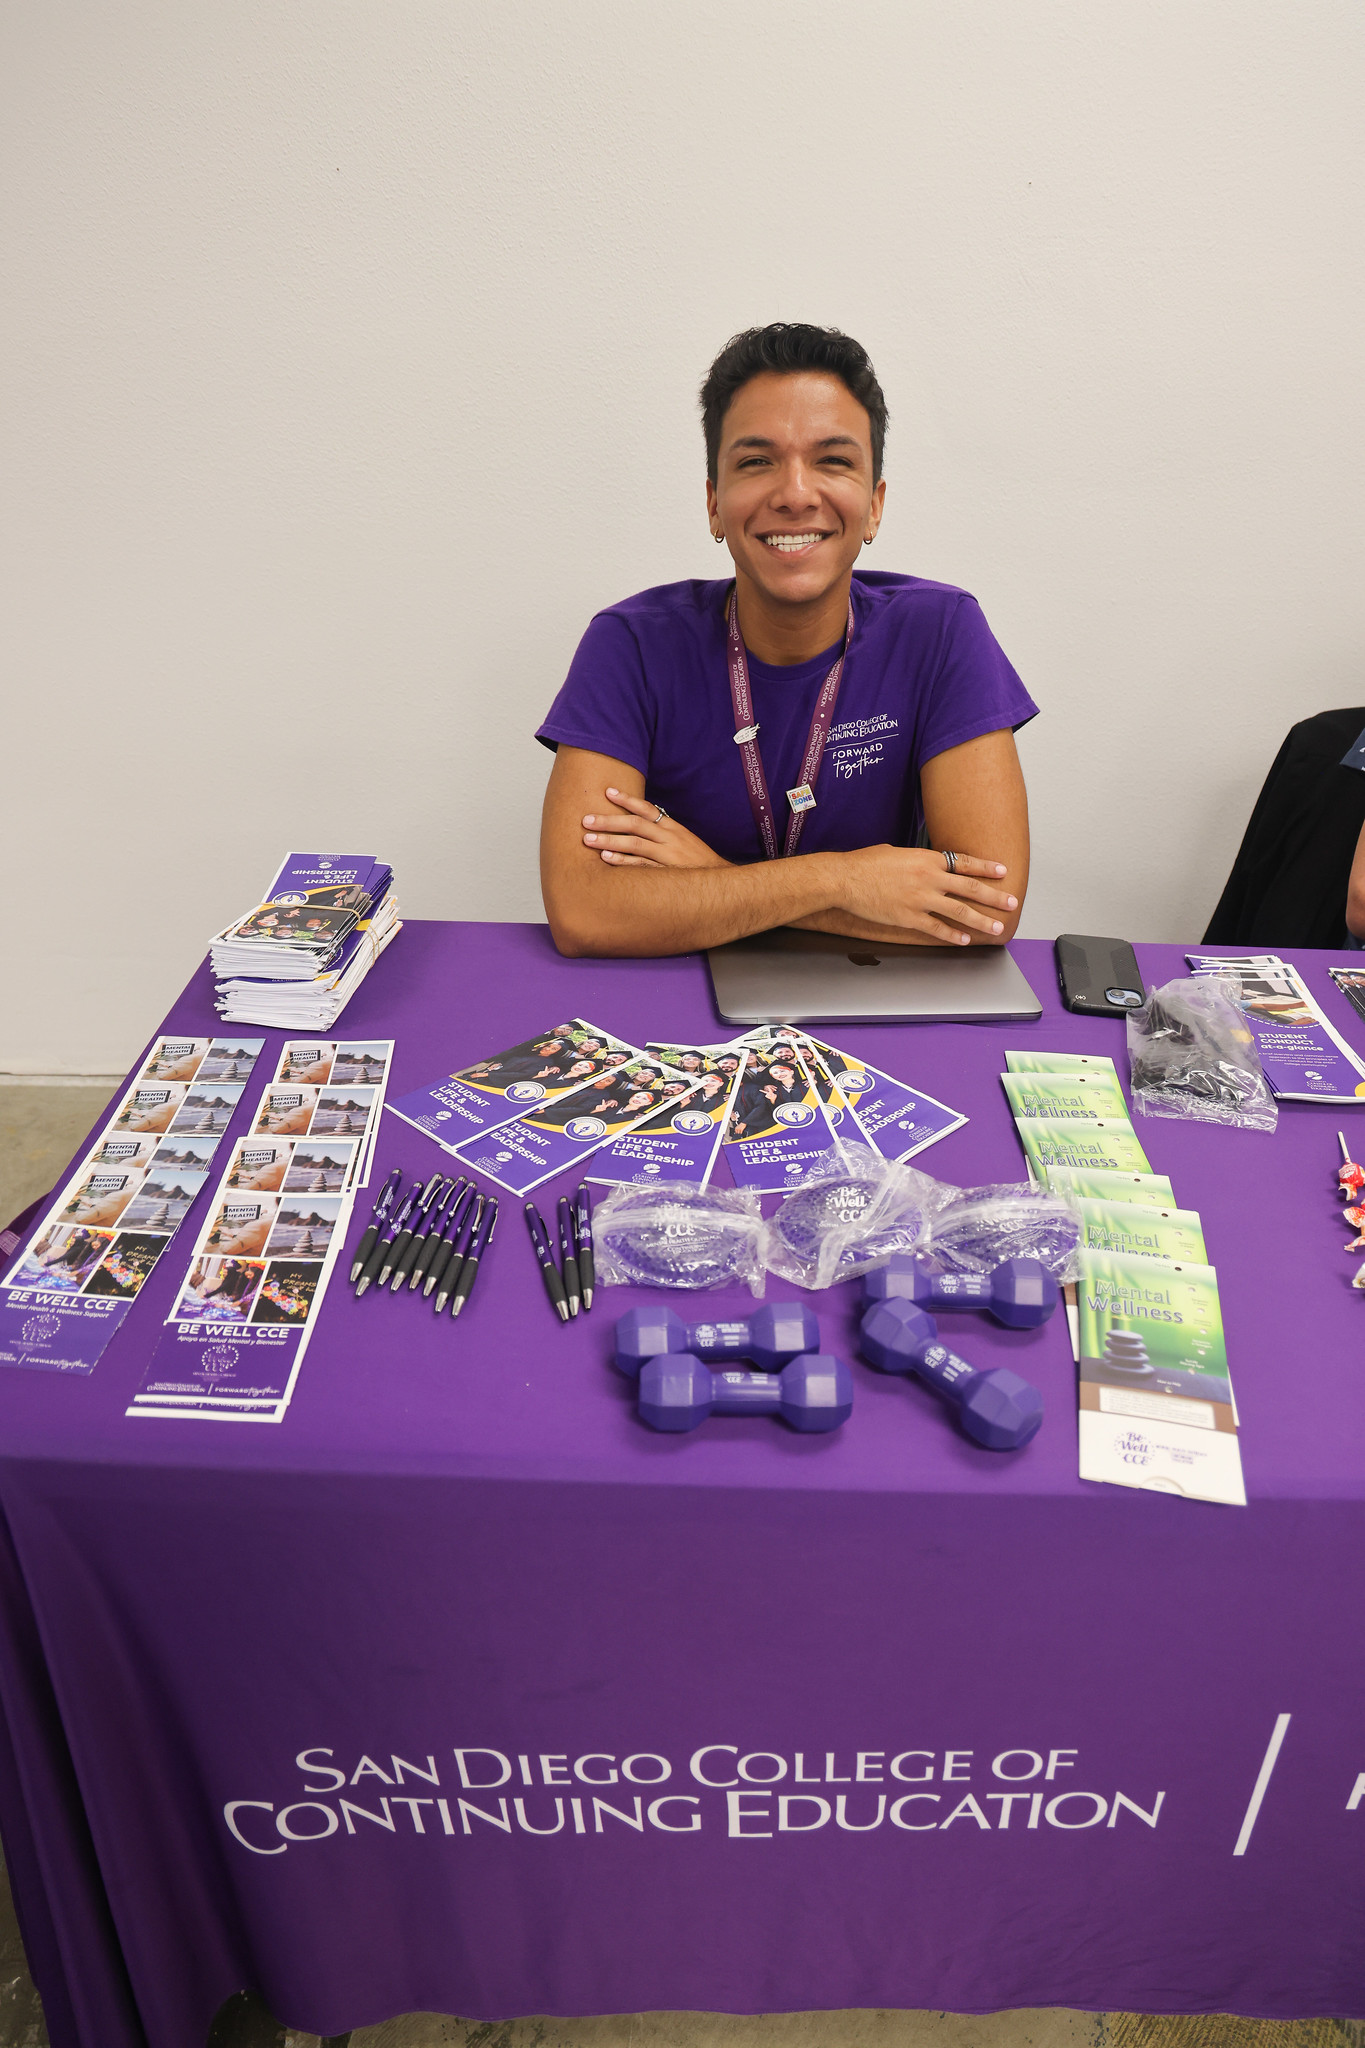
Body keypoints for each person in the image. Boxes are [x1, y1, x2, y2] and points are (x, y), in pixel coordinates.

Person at [537, 323, 1035, 958]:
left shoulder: (942, 630)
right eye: (756, 462)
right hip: (672, 1008)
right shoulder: (630, 643)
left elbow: (983, 915)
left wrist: (710, 879)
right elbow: (584, 912)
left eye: (832, 460)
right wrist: (845, 882)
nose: (796, 494)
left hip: (880, 1002)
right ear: (715, 504)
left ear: (874, 504)